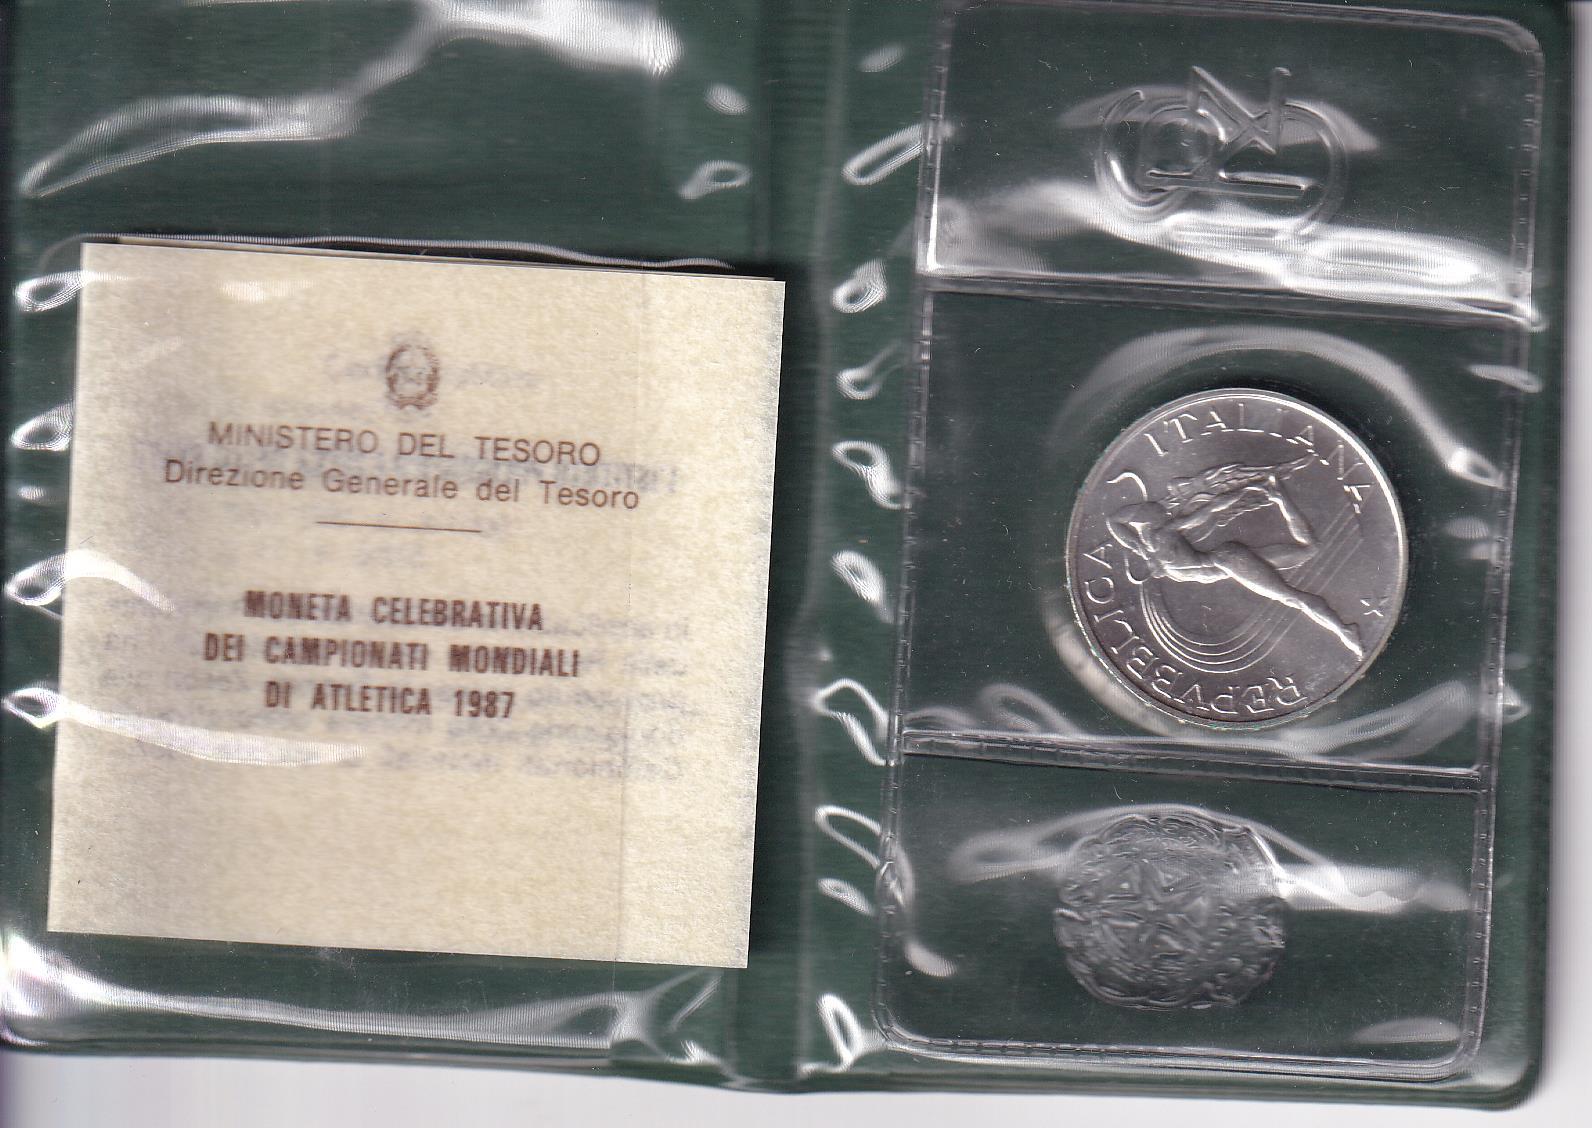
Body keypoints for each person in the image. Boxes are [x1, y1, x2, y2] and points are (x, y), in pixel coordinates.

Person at [1106, 455, 1363, 658]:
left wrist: (1243, 492)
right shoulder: (1156, 547)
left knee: (1292, 597)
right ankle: (1280, 496)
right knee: (1309, 550)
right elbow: (1115, 520)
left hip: (1229, 561)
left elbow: (1207, 511)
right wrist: (1138, 548)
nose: (1163, 510)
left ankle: (1345, 631)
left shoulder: (1162, 537)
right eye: (1155, 510)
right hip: (1229, 561)